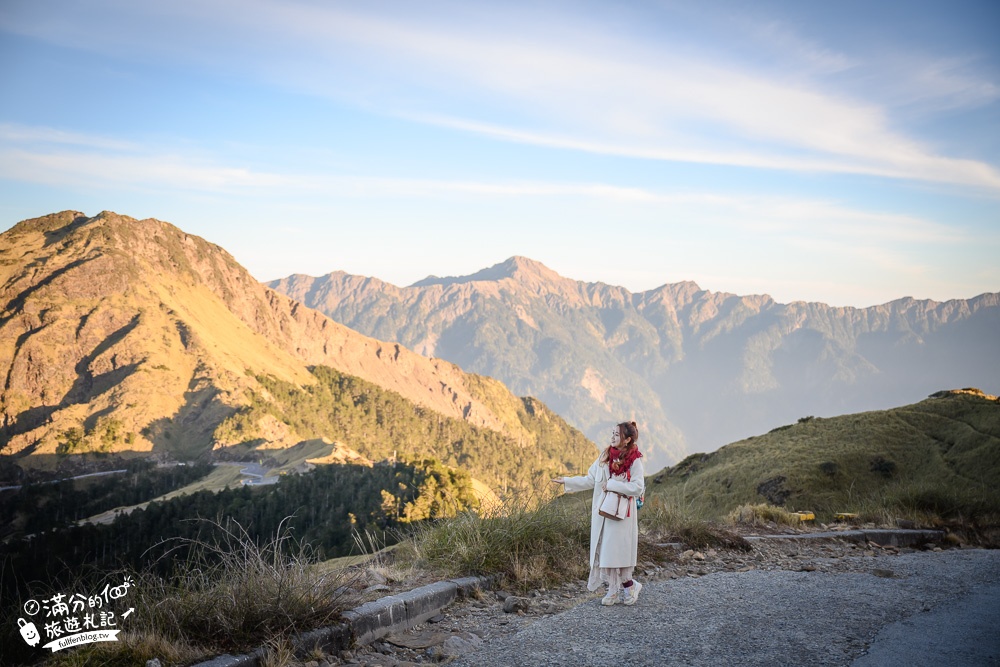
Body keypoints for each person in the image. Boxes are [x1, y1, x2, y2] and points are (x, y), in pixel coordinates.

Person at [552, 421, 645, 606]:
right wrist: (567, 481)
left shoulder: (635, 460)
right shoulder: (604, 457)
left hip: (623, 515)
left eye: (617, 435)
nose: (612, 437)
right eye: (612, 433)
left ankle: (628, 585)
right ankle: (613, 589)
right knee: (607, 551)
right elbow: (590, 480)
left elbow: (637, 487)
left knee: (621, 551)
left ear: (627, 440)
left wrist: (612, 485)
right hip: (604, 513)